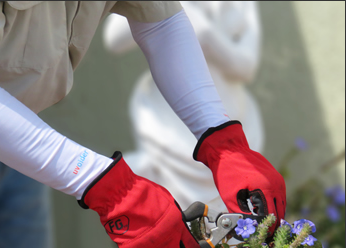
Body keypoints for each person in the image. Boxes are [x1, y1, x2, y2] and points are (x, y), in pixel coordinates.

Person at [0, 1, 286, 248]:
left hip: (19, 142)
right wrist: (108, 187)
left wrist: (223, 141)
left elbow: (158, 21)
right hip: (0, 127)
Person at [103, 1, 264, 211]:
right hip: (169, 124)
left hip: (229, 118)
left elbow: (247, 65)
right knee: (166, 209)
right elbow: (114, 40)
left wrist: (207, 36)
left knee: (231, 212)